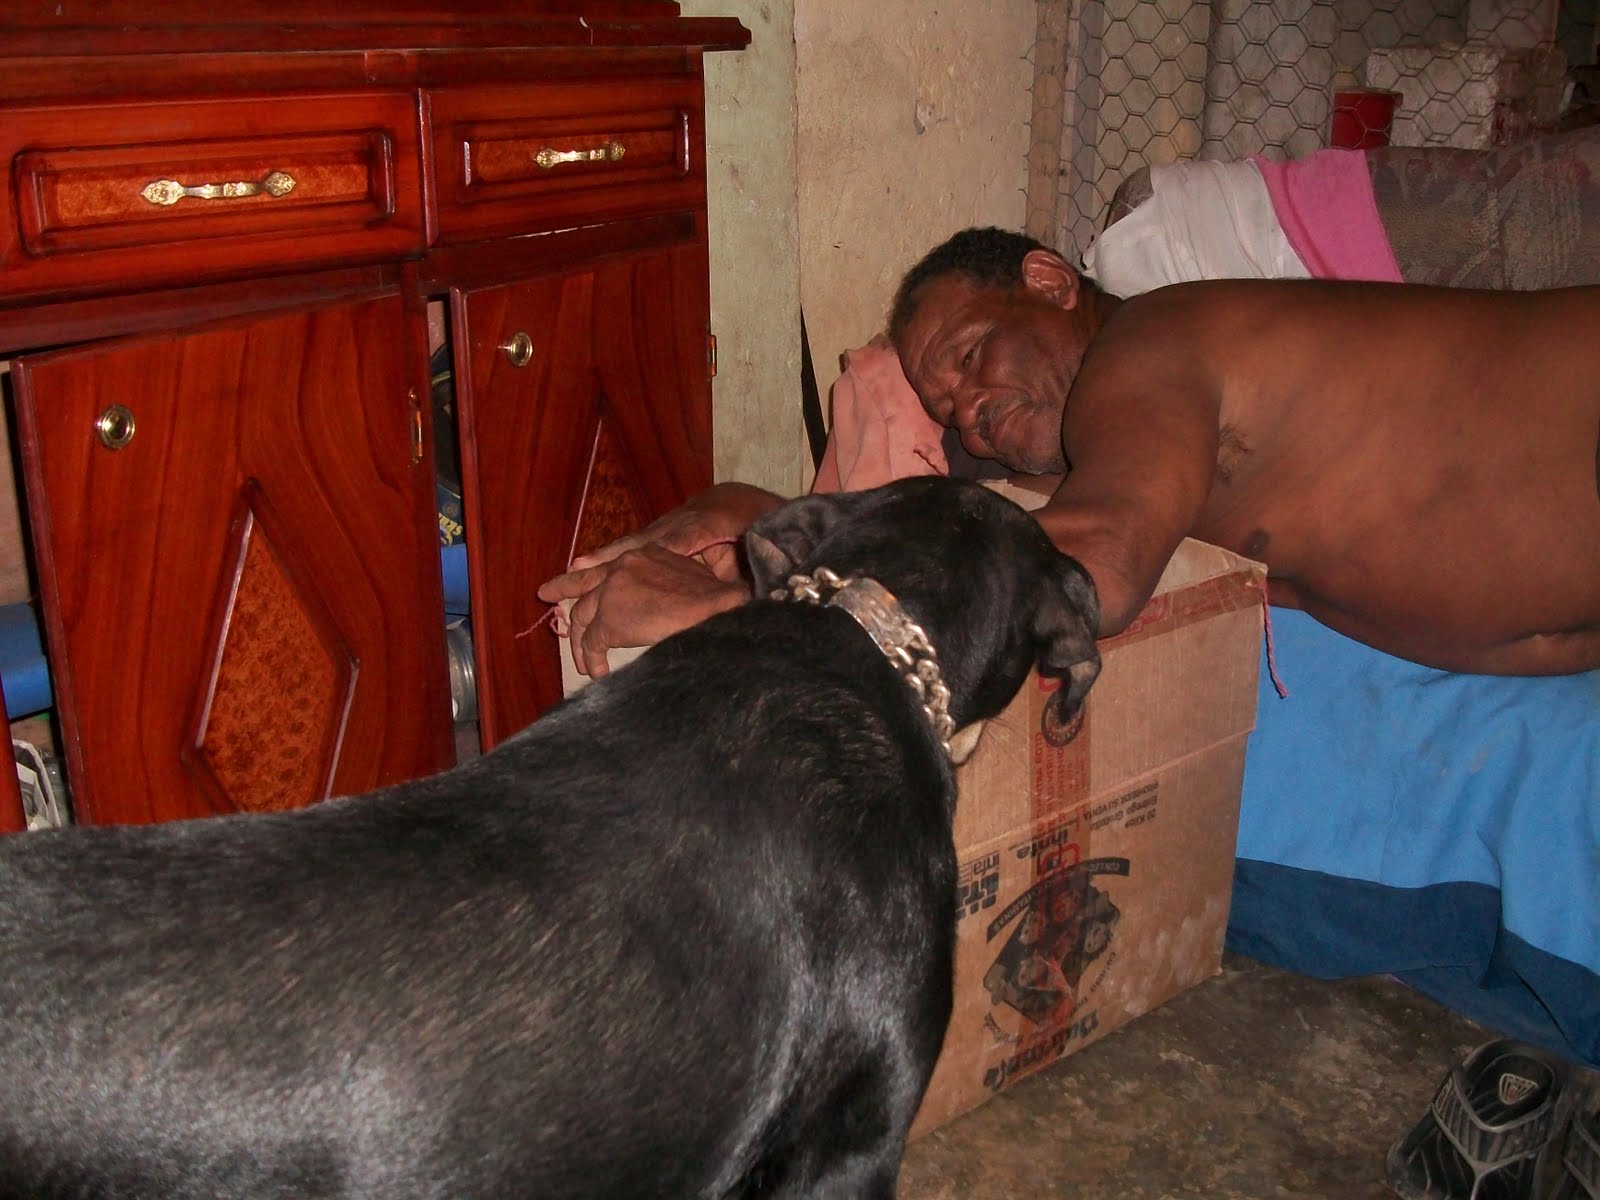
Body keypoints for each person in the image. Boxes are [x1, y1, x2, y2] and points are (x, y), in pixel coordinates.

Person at [539, 226, 1600, 679]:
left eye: (969, 356)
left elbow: (1086, 573)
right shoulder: (1110, 457)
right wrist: (744, 516)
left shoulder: (1158, 340)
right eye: (949, 412)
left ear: (1049, 282)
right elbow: (927, 530)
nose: (970, 415)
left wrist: (732, 611)